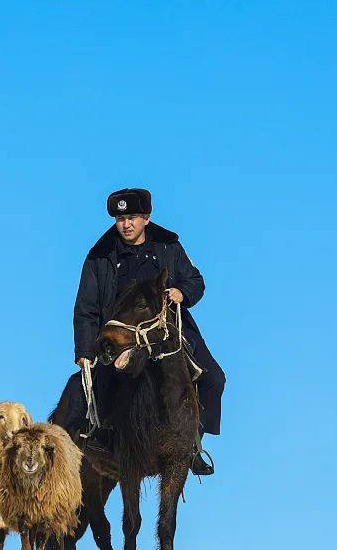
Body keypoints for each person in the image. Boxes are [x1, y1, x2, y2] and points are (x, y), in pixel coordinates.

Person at [72, 187, 225, 475]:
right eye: (120, 219)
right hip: (123, 337)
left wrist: (182, 292)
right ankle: (102, 439)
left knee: (215, 380)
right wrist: (84, 351)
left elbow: (196, 280)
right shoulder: (99, 256)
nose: (126, 224)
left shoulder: (169, 246)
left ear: (146, 217)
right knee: (103, 383)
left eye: (131, 217)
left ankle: (193, 446)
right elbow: (86, 307)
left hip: (169, 330)